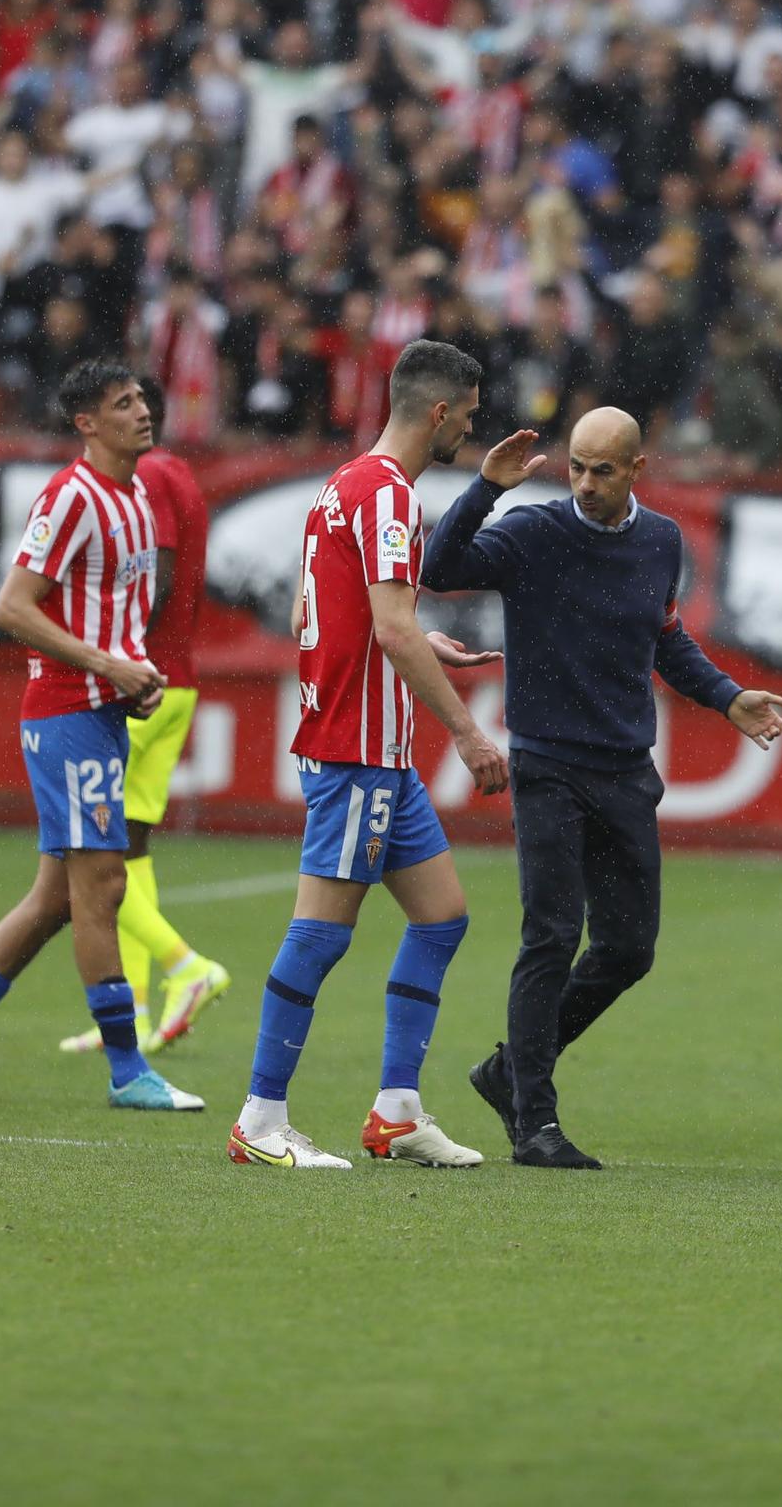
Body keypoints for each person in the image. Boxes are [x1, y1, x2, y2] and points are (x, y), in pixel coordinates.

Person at [422, 406, 782, 1169]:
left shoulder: (660, 540)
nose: (584, 484)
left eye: (602, 470)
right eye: (577, 467)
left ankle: (507, 1071)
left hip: (625, 769)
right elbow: (440, 569)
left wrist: (726, 696)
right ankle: (535, 1121)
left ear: (635, 471)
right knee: (551, 935)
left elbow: (663, 635)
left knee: (627, 949)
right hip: (547, 764)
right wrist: (485, 490)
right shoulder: (533, 534)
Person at [228, 339, 509, 1172]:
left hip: (370, 748)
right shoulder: (390, 499)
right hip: (357, 748)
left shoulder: (344, 485)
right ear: (437, 411)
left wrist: (421, 640)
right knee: (319, 933)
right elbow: (385, 626)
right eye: (467, 410)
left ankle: (395, 1113)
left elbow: (341, 613)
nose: (470, 422)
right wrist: (465, 729)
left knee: (441, 915)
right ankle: (260, 1119)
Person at [0, 358, 202, 1113]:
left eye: (141, 401)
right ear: (86, 423)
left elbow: (112, 619)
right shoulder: (73, 496)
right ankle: (129, 1071)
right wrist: (104, 667)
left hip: (99, 715)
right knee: (104, 885)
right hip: (63, 715)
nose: (141, 413)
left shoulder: (134, 499)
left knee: (56, 898)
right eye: (122, 405)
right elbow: (13, 608)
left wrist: (137, 677)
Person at [59, 378, 229, 1058]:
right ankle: (127, 1004)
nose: (137, 417)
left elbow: (154, 579)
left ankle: (185, 966)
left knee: (83, 859)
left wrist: (121, 661)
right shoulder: (180, 473)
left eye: (135, 405)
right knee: (129, 848)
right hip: (176, 679)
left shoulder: (150, 476)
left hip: (144, 684)